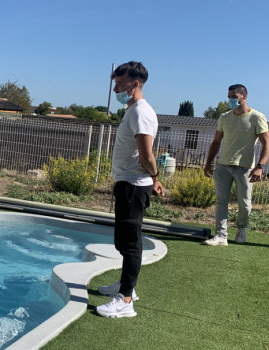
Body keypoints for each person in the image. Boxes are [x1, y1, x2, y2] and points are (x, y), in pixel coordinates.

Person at [96, 61, 163, 318]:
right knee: (124, 241)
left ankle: (125, 301)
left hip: (134, 186)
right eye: (115, 83)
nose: (116, 89)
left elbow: (147, 155)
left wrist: (155, 177)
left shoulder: (140, 112)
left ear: (135, 84)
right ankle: (127, 286)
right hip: (129, 183)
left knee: (131, 243)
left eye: (120, 83)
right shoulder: (133, 110)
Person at [202, 84, 269, 246]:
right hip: (223, 166)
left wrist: (260, 166)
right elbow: (216, 141)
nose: (231, 100)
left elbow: (267, 143)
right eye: (229, 97)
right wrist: (208, 162)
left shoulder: (257, 117)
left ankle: (242, 228)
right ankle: (221, 236)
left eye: (234, 97)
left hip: (245, 168)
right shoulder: (224, 117)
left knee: (245, 204)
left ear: (244, 96)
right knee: (221, 202)